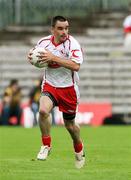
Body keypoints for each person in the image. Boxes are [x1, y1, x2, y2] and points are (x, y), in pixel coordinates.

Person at [27, 15, 85, 169]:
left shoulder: (73, 44)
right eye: (60, 28)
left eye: (66, 28)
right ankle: (46, 145)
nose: (64, 31)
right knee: (43, 111)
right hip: (50, 85)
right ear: (52, 29)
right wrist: (32, 58)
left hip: (68, 89)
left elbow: (76, 66)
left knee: (70, 126)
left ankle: (79, 148)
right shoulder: (43, 43)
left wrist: (54, 57)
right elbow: (38, 57)